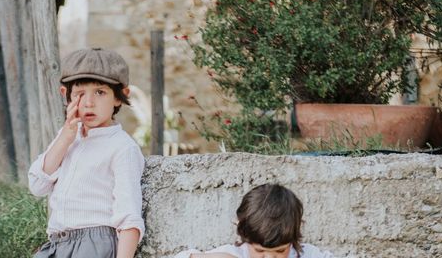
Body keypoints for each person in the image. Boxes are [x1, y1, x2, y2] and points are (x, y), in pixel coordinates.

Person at [28, 47, 145, 258]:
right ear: (66, 95)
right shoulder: (68, 138)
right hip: (57, 245)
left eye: (100, 92)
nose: (89, 103)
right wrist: (65, 137)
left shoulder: (122, 147)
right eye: (80, 94)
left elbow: (129, 215)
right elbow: (37, 185)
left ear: (120, 97)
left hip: (94, 245)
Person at [174, 184, 335, 258]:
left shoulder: (309, 255)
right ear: (244, 235)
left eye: (280, 251)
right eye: (259, 251)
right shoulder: (234, 255)